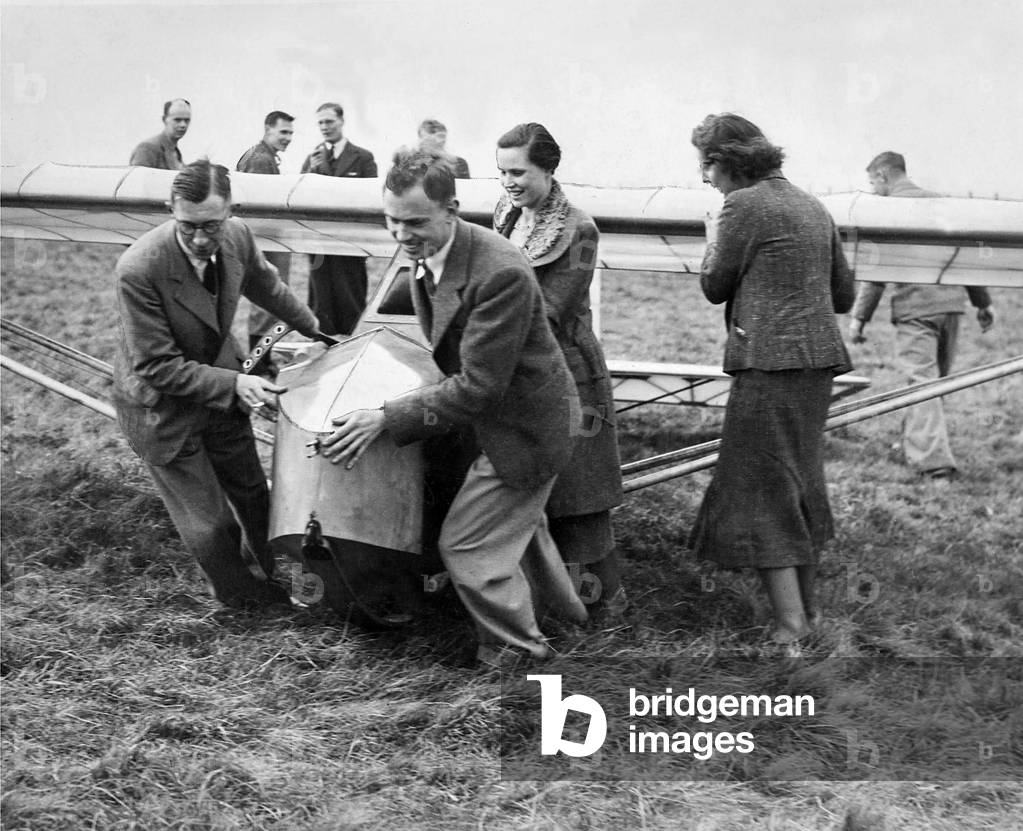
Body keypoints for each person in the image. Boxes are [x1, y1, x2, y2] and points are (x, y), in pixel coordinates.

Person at [319, 147, 587, 665]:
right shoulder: (428, 255)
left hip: (524, 431)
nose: (400, 235)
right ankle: (569, 618)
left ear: (453, 208)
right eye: (391, 222)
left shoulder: (500, 271)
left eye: (414, 222)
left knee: (468, 546)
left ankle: (522, 656)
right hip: (497, 421)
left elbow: (480, 387)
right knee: (519, 530)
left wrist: (385, 416)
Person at [112, 159, 331, 609]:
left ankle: (268, 575)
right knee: (210, 524)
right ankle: (243, 599)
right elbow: (156, 366)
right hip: (163, 406)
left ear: (231, 210)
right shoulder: (138, 268)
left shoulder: (238, 237)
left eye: (211, 225)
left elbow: (267, 286)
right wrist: (235, 384)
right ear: (169, 209)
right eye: (187, 226)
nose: (199, 238)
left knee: (253, 493)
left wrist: (313, 328)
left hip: (220, 384)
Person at [687, 113, 855, 652]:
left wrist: (713, 236)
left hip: (768, 367)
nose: (705, 179)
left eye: (705, 166)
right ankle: (807, 615)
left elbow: (715, 284)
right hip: (817, 366)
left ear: (724, 162)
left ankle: (790, 629)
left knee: (762, 489)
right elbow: (845, 296)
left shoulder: (741, 205)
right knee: (799, 483)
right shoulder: (813, 205)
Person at [493, 122, 625, 618]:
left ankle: (601, 611)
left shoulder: (580, 229)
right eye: (502, 172)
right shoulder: (508, 215)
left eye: (519, 172)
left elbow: (551, 310)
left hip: (570, 374)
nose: (508, 182)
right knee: (539, 493)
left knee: (579, 498)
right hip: (524, 365)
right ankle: (550, 603)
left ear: (548, 168)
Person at [848, 152, 995, 480]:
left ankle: (934, 465)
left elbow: (878, 269)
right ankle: (915, 446)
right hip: (951, 306)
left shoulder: (889, 211)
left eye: (873, 182)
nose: (873, 190)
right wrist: (983, 303)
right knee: (933, 383)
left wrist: (859, 319)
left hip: (916, 310)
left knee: (922, 384)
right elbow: (965, 256)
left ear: (884, 176)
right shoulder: (941, 204)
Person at [301, 102, 378, 336]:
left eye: (329, 121)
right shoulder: (312, 158)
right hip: (319, 245)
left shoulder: (363, 158)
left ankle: (352, 344)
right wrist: (312, 172)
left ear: (342, 121)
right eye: (321, 123)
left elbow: (371, 197)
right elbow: (302, 195)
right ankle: (321, 343)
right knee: (320, 297)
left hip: (350, 242)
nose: (325, 127)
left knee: (351, 295)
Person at [237, 110, 297, 352]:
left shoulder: (265, 156)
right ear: (267, 129)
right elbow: (256, 210)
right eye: (283, 132)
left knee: (269, 306)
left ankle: (263, 360)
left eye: (291, 133)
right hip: (263, 244)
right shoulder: (260, 160)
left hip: (266, 242)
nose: (288, 138)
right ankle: (260, 364)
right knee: (266, 306)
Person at [130, 99, 191, 170]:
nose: (183, 125)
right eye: (177, 120)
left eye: (187, 120)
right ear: (164, 119)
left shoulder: (176, 153)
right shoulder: (147, 149)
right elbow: (138, 179)